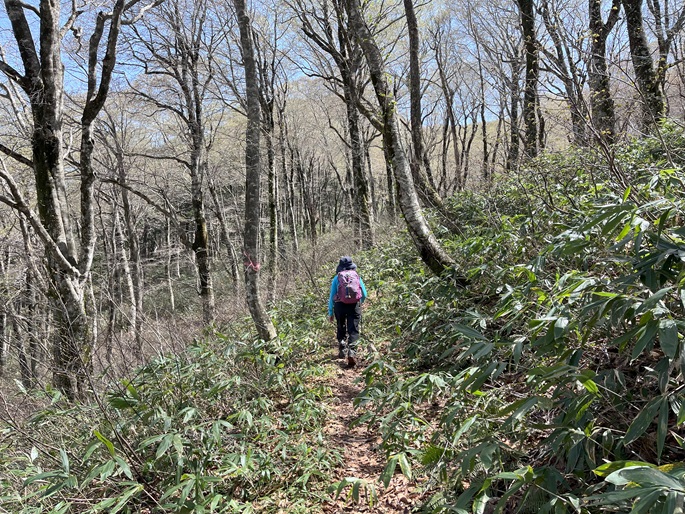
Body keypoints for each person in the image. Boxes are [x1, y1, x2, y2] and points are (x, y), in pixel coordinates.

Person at [328, 256, 367, 367]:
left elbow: (332, 296)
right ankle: (352, 352)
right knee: (353, 328)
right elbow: (364, 294)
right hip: (354, 305)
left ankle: (342, 346)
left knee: (341, 325)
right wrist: (359, 302)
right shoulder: (356, 276)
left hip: (339, 305)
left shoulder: (337, 278)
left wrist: (330, 312)